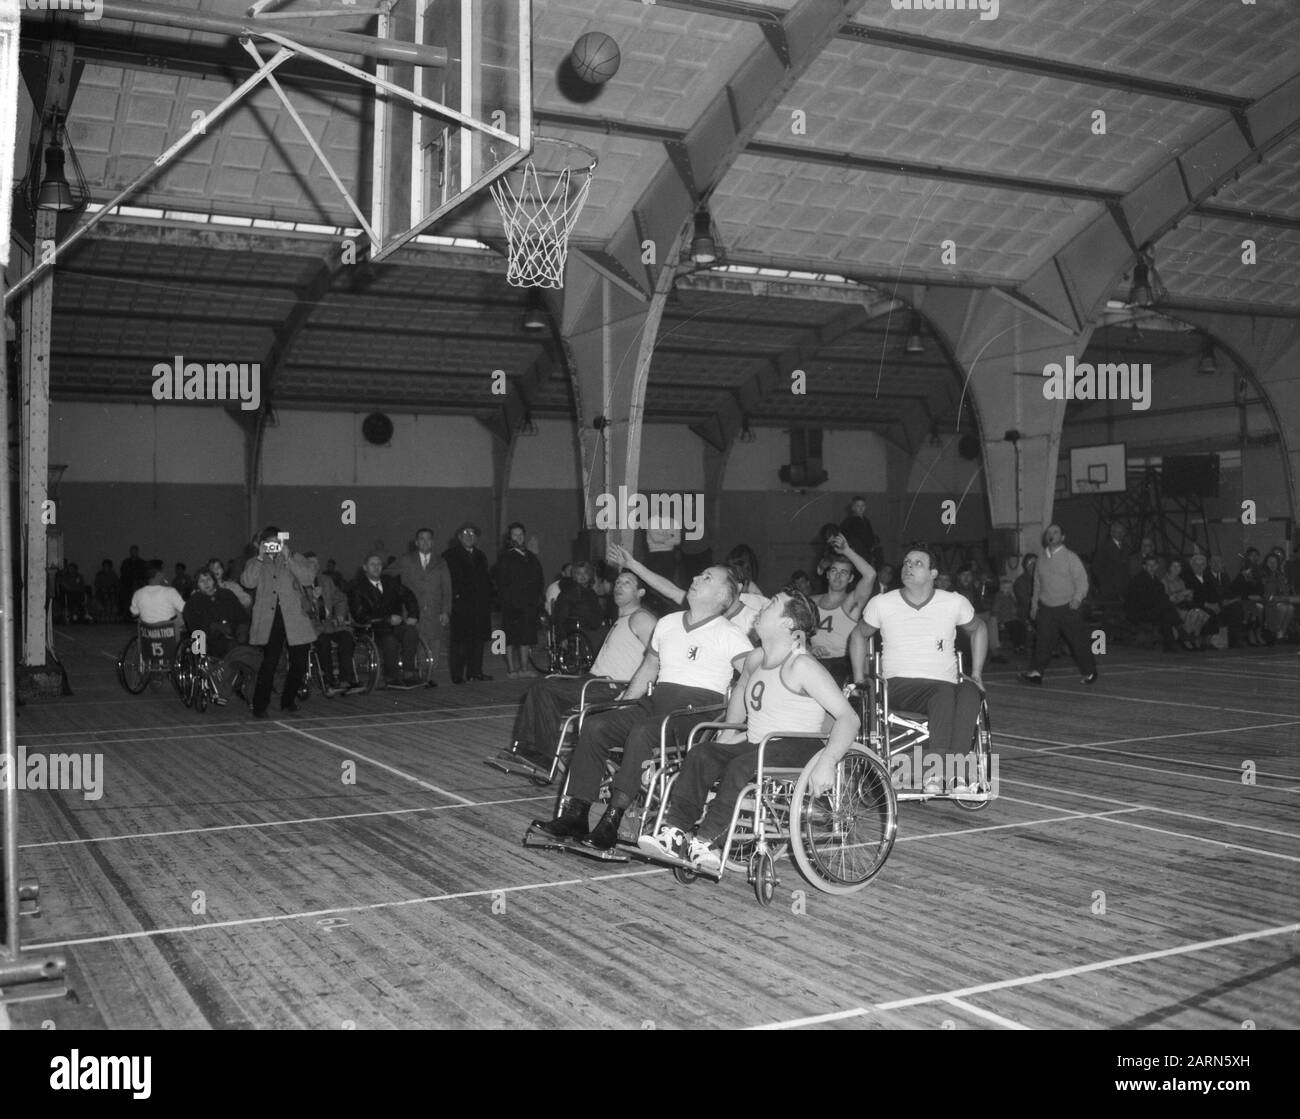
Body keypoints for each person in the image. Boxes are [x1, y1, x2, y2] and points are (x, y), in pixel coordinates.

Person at [532, 566, 753, 849]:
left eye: (707, 578)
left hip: (696, 713)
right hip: (656, 702)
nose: (696, 578)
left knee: (643, 732)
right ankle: (577, 813)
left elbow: (750, 677)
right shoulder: (669, 623)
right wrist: (619, 705)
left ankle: (613, 818)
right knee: (596, 724)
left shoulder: (729, 633)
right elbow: (649, 667)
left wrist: (737, 723)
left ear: (723, 594)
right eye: (699, 574)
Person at [639, 589, 859, 872]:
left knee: (742, 766)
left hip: (799, 745)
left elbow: (848, 718)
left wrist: (828, 761)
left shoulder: (802, 665)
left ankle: (708, 841)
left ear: (787, 624)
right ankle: (675, 832)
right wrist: (728, 733)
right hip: (761, 742)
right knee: (702, 753)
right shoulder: (756, 658)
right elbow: (742, 688)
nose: (763, 607)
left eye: (772, 604)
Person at [847, 546, 986, 792]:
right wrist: (859, 679)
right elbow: (858, 635)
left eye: (917, 563)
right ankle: (935, 774)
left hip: (945, 686)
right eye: (906, 563)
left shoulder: (953, 602)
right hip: (898, 687)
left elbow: (978, 628)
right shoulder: (882, 603)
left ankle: (958, 776)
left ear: (934, 573)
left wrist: (975, 673)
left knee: (971, 692)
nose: (908, 567)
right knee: (942, 693)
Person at [505, 571, 656, 769]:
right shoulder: (620, 620)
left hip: (610, 687)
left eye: (627, 583)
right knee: (543, 686)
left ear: (641, 592)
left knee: (545, 688)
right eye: (618, 582)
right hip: (594, 681)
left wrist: (631, 696)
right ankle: (530, 749)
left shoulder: (642, 618)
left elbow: (659, 659)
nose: (619, 585)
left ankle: (541, 754)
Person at [242, 526, 317, 718]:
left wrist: (288, 558)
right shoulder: (255, 561)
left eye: (277, 542)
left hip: (295, 617)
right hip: (269, 619)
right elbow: (248, 582)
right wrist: (260, 557)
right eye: (269, 542)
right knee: (270, 663)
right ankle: (260, 706)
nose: (274, 546)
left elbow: (308, 578)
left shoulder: (295, 557)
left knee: (299, 663)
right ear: (263, 544)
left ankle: (288, 700)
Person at [1019, 525, 1098, 685]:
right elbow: (1037, 585)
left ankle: (1090, 672)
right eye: (1049, 532)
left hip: (1068, 606)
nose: (1051, 535)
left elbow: (1082, 580)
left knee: (1078, 641)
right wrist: (1034, 606)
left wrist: (1077, 598)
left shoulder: (1071, 557)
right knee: (1043, 642)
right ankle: (1036, 673)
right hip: (1047, 608)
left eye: (1055, 532)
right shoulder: (1040, 559)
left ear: (1062, 537)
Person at [183, 570, 259, 704]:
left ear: (214, 581)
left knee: (252, 652)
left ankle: (226, 677)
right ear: (197, 585)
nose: (206, 583)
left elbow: (242, 617)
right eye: (202, 581)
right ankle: (222, 680)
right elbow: (194, 626)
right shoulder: (193, 602)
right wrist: (214, 627)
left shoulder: (227, 595)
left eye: (209, 580)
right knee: (239, 652)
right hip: (209, 640)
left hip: (234, 637)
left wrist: (241, 630)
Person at [809, 534, 876, 684]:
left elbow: (870, 575)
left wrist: (847, 551)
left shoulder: (851, 602)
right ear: (827, 574)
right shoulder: (811, 602)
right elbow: (795, 633)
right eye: (834, 571)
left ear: (851, 578)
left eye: (844, 573)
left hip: (843, 667)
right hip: (814, 664)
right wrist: (808, 649)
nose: (838, 577)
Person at [349, 553, 422, 686]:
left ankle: (409, 672)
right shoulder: (357, 588)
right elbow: (360, 615)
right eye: (372, 564)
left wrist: (413, 615)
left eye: (379, 564)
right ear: (365, 567)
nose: (377, 567)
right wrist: (387, 620)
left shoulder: (390, 582)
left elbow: (409, 596)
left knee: (411, 632)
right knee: (390, 640)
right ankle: (392, 676)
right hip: (374, 628)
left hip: (396, 624)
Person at [390, 527, 450, 687]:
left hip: (434, 610)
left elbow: (447, 588)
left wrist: (446, 611)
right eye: (421, 539)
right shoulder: (405, 560)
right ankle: (416, 675)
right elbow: (387, 575)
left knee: (434, 643)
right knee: (414, 643)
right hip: (411, 611)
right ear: (416, 542)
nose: (425, 542)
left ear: (433, 542)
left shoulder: (441, 562)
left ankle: (429, 675)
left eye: (428, 539)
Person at [442, 523, 493, 683]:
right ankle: (457, 675)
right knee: (459, 642)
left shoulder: (481, 556)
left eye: (472, 533)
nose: (469, 535)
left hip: (479, 606)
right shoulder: (449, 555)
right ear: (458, 536)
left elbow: (485, 580)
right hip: (460, 605)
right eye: (465, 532)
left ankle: (475, 672)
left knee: (478, 640)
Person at [494, 522, 546, 679]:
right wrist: (508, 601)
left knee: (526, 637)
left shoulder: (530, 556)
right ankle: (511, 670)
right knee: (510, 638)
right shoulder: (505, 557)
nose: (518, 537)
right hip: (511, 605)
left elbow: (539, 579)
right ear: (509, 537)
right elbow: (501, 582)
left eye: (521, 534)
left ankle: (524, 668)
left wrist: (538, 599)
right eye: (515, 535)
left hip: (529, 605)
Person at [303, 552, 358, 695]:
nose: (315, 566)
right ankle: (328, 679)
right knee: (323, 642)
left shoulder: (326, 580)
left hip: (329, 624)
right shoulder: (298, 583)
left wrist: (339, 614)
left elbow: (340, 598)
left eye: (316, 563)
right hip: (312, 627)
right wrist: (313, 601)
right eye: (310, 563)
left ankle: (346, 678)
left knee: (346, 637)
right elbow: (301, 609)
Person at [1125, 555, 1185, 651]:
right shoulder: (1138, 580)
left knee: (1166, 614)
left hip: (1152, 610)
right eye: (1149, 565)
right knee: (1166, 607)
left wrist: (1165, 600)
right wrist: (1164, 600)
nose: (1152, 567)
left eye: (1154, 565)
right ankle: (1179, 629)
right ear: (1144, 566)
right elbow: (1142, 600)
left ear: (1157, 566)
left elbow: (1161, 596)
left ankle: (1170, 643)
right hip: (1140, 612)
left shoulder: (1156, 580)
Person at [1162, 558, 1206, 650]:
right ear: (1169, 568)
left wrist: (1189, 595)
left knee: (1200, 613)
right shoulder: (1164, 581)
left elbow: (1187, 599)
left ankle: (1193, 638)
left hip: (1184, 605)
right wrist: (1182, 595)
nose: (1176, 568)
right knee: (1193, 614)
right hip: (1173, 608)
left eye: (1179, 566)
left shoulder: (1181, 581)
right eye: (1174, 566)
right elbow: (1167, 599)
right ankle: (1185, 639)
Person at [128, 561, 186, 626]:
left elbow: (134, 614)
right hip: (169, 634)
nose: (165, 573)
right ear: (159, 574)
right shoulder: (170, 591)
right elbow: (185, 609)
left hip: (147, 634)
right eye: (163, 571)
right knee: (178, 612)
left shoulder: (137, 593)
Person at [1230, 549, 1267, 645]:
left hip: (1255, 599)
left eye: (1256, 555)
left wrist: (1258, 595)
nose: (1254, 557)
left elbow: (1261, 589)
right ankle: (1251, 634)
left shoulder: (1259, 572)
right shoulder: (1242, 573)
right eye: (1251, 555)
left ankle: (1257, 633)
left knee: (1260, 607)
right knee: (1257, 608)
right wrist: (1244, 578)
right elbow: (1236, 589)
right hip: (1245, 599)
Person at [1091, 521, 1132, 603]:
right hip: (1109, 589)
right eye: (1118, 532)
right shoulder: (1104, 547)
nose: (1120, 534)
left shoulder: (1127, 548)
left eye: (1122, 532)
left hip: (1124, 588)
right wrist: (1105, 583)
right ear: (1112, 533)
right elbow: (1096, 568)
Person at [1260, 552, 1297, 641]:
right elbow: (1264, 592)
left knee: (1290, 608)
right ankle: (1275, 630)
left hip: (1279, 600)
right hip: (1268, 602)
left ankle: (1281, 632)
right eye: (1270, 562)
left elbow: (1285, 592)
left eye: (1275, 562)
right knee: (1283, 608)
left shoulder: (1280, 575)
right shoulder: (1262, 575)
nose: (1272, 565)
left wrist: (1284, 583)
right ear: (1266, 563)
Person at [119, 544, 149, 617]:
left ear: (137, 552)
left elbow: (145, 574)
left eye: (135, 551)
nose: (133, 553)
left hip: (139, 585)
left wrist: (139, 582)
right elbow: (123, 574)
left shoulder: (142, 562)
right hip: (127, 585)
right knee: (126, 597)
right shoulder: (126, 562)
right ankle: (127, 615)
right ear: (130, 552)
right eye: (132, 551)